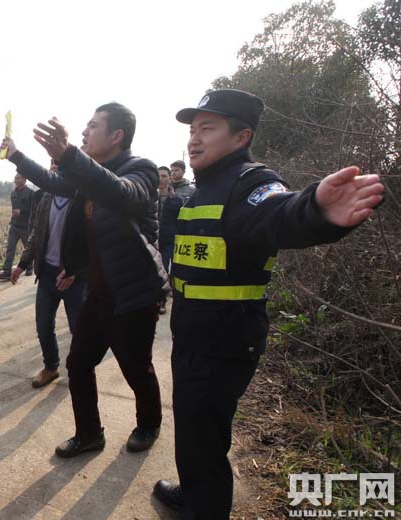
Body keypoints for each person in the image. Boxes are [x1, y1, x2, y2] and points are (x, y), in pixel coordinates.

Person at [152, 89, 384, 518]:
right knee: (194, 430)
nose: (194, 139)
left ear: (241, 137)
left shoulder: (251, 182)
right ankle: (194, 490)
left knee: (203, 435)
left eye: (208, 128)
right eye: (192, 130)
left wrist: (314, 208)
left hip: (222, 342)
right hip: (195, 335)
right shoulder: (203, 189)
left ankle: (204, 507)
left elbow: (277, 212)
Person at [1, 102, 169, 458]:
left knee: (136, 367)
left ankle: (149, 423)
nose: (84, 132)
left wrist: (71, 155)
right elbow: (51, 182)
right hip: (98, 292)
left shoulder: (141, 171)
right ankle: (90, 434)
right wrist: (17, 156)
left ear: (117, 135)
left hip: (134, 294)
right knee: (78, 364)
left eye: (93, 126)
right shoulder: (86, 176)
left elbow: (120, 192)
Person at [10, 159, 88, 388]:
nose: (55, 169)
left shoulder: (83, 199)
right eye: (53, 165)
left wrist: (75, 271)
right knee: (44, 325)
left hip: (74, 278)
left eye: (60, 165)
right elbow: (36, 233)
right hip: (47, 273)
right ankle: (51, 367)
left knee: (79, 329)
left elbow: (91, 244)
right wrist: (23, 264)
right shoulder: (45, 198)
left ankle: (81, 370)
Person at [0, 174, 35, 280]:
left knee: (27, 248)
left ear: (24, 179)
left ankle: (29, 266)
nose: (16, 180)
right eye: (15, 178)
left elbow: (34, 211)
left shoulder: (31, 194)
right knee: (10, 248)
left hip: (26, 227)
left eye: (18, 178)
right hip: (14, 225)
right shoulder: (13, 193)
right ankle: (7, 271)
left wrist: (21, 212)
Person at [157, 166, 182, 314]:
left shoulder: (176, 200)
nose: (161, 179)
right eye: (158, 176)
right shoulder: (149, 197)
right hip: (151, 240)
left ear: (169, 178)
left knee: (164, 270)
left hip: (168, 241)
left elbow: (180, 221)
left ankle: (162, 301)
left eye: (164, 176)